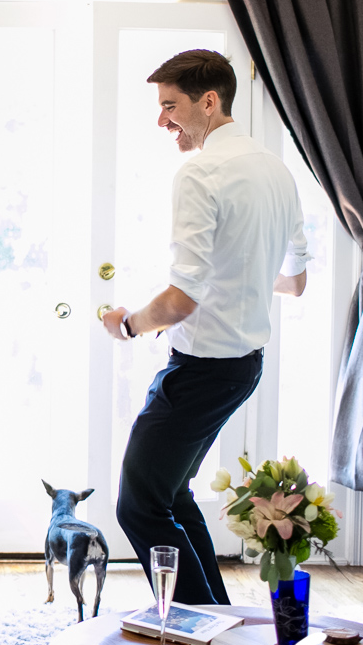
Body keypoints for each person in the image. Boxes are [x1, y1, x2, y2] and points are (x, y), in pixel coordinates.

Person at [101, 49, 309, 606]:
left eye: (171, 106)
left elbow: (180, 301)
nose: (163, 121)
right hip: (244, 368)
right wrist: (242, 271)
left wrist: (126, 325)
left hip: (200, 370)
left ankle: (197, 630)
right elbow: (295, 282)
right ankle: (217, 616)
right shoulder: (277, 169)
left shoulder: (199, 171)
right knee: (172, 493)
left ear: (209, 102)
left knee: (138, 504)